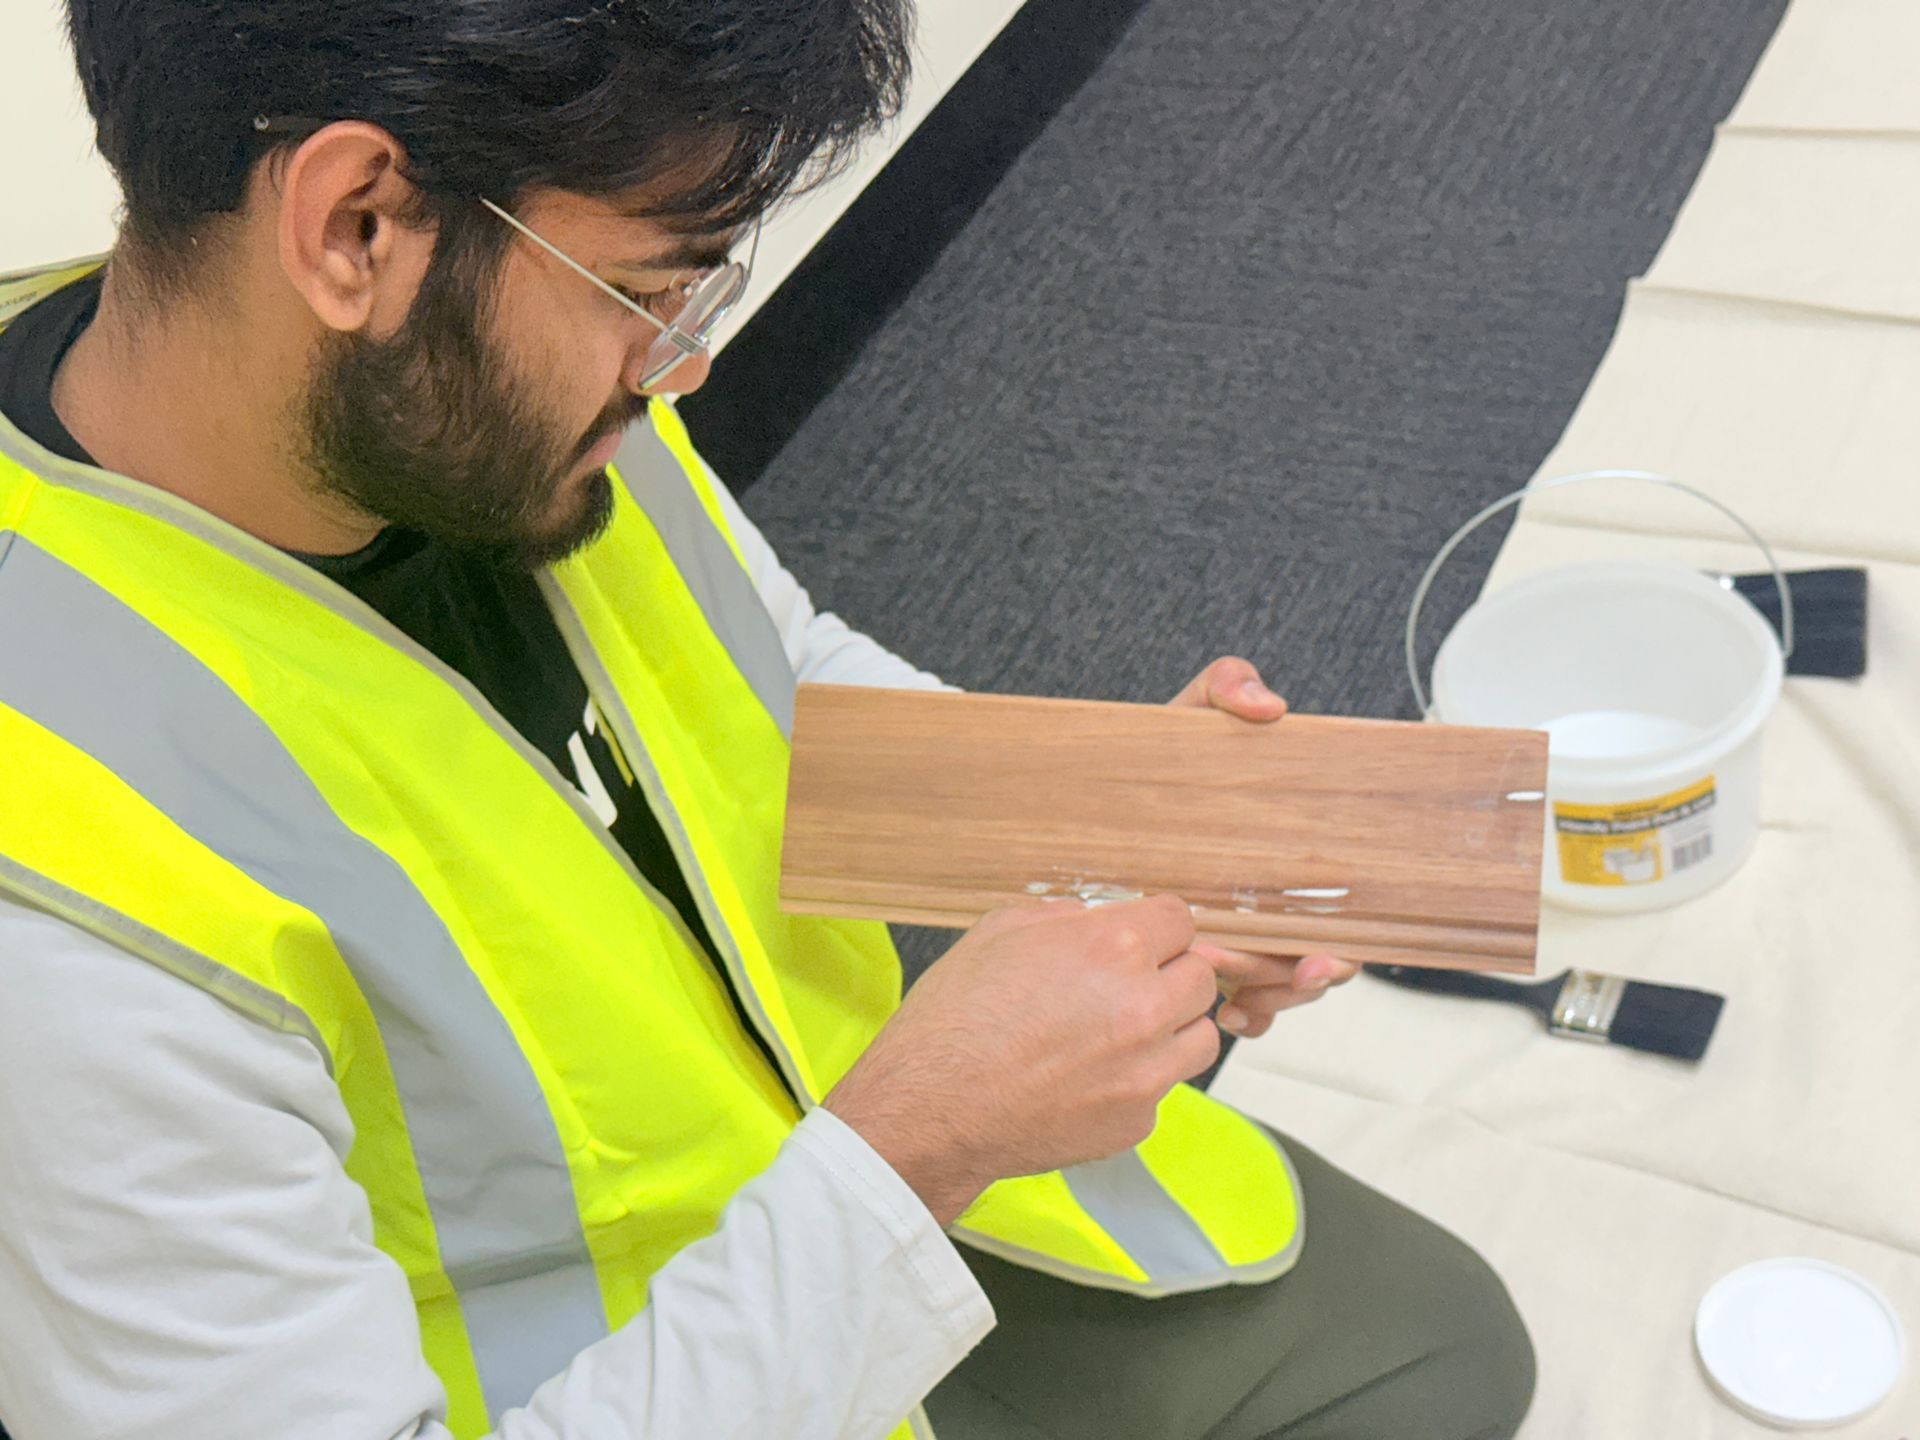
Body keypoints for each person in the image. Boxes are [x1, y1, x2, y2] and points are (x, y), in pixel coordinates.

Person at [0, 3, 1535, 1437]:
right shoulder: (60, 942)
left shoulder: (431, 398)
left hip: (819, 1156)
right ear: (357, 228)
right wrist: (917, 1144)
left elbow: (757, 663)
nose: (686, 361)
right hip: (617, 1357)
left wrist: (1105, 823)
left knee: (1441, 1340)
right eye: (658, 287)